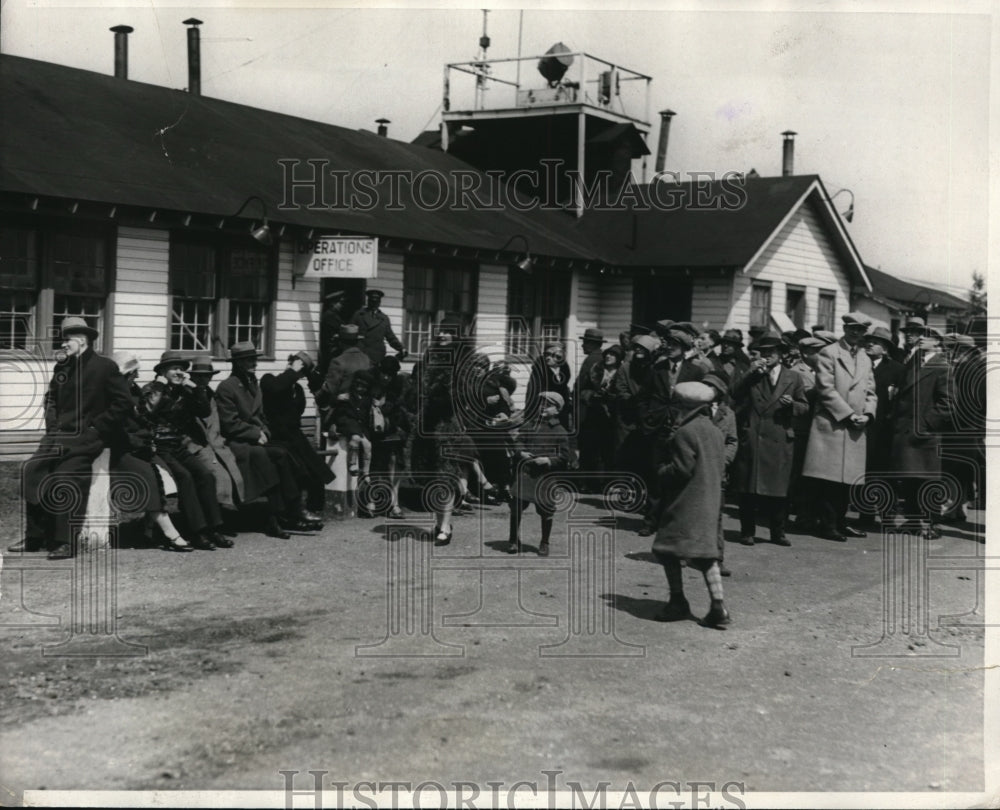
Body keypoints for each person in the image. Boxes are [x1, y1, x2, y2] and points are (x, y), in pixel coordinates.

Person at [15, 317, 133, 559]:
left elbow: (123, 404)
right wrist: (53, 426)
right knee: (32, 470)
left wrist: (96, 429)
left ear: (82, 340)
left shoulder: (105, 367)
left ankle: (65, 541)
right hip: (58, 436)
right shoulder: (63, 367)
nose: (64, 345)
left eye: (67, 340)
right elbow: (51, 399)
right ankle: (35, 536)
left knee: (66, 476)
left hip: (87, 439)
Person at [216, 341, 320, 533]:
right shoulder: (227, 387)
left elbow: (262, 416)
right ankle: (282, 515)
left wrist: (264, 431)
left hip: (257, 439)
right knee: (274, 456)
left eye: (254, 359)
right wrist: (256, 434)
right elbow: (229, 424)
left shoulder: (253, 383)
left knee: (286, 453)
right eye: (248, 360)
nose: (253, 363)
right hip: (237, 442)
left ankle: (287, 512)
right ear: (238, 363)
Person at [651, 381, 730, 628]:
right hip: (709, 500)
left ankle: (677, 601)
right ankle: (718, 606)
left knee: (666, 550)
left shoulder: (685, 432)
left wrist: (661, 470)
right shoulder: (714, 431)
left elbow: (681, 469)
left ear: (683, 406)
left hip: (685, 502)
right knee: (707, 555)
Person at [186, 359, 292, 539]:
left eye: (206, 377)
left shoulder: (210, 393)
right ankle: (218, 523)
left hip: (220, 442)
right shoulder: (191, 394)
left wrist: (261, 431)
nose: (203, 380)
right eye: (199, 377)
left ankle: (279, 513)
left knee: (274, 456)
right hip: (201, 444)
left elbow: (256, 417)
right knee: (242, 463)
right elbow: (223, 423)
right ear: (192, 377)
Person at [139, 351, 230, 550]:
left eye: (181, 368)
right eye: (174, 368)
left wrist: (196, 389)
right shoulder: (151, 389)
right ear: (163, 371)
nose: (179, 372)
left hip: (177, 446)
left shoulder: (184, 391)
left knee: (205, 475)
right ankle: (197, 532)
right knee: (185, 477)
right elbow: (148, 411)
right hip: (158, 447)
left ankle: (214, 528)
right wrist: (161, 386)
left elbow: (204, 411)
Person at [801, 312, 878, 542]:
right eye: (852, 328)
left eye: (861, 330)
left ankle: (841, 522)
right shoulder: (829, 352)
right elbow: (825, 389)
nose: (856, 333)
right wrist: (847, 414)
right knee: (829, 478)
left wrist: (868, 414)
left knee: (847, 479)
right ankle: (828, 524)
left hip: (855, 426)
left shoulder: (865, 358)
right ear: (845, 329)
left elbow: (871, 392)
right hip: (832, 424)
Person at [108, 352, 193, 552]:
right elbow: (115, 429)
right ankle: (172, 534)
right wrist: (139, 441)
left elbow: (146, 417)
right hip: (121, 450)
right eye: (133, 373)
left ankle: (147, 530)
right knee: (150, 478)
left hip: (142, 446)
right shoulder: (111, 396)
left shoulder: (134, 391)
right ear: (124, 375)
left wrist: (148, 440)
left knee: (167, 476)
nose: (136, 377)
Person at [731, 333, 808, 547]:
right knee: (748, 488)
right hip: (754, 435)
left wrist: (791, 404)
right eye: (763, 352)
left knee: (778, 489)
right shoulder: (754, 375)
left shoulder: (794, 377)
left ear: (781, 355)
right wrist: (750, 373)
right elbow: (735, 393)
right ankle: (747, 531)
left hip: (779, 437)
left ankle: (778, 532)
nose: (766, 356)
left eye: (771, 352)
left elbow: (804, 407)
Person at [635, 327, 706, 537]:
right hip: (658, 429)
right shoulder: (656, 370)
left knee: (679, 475)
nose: (671, 349)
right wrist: (646, 420)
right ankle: (650, 521)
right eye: (669, 345)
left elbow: (700, 401)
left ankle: (673, 522)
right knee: (655, 475)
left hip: (683, 429)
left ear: (684, 349)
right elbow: (641, 398)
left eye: (675, 346)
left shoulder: (695, 371)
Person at [411, 322, 472, 545]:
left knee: (445, 474)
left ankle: (445, 526)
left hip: (448, 423)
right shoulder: (430, 357)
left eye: (449, 332)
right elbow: (419, 384)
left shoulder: (461, 361)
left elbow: (464, 394)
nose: (443, 335)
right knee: (432, 477)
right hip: (427, 422)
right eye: (441, 332)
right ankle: (440, 523)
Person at [890, 325, 953, 537]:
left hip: (925, 434)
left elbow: (947, 404)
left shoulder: (942, 366)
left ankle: (932, 523)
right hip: (906, 431)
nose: (921, 340)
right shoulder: (914, 363)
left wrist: (925, 425)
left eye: (927, 337)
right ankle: (913, 521)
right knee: (910, 480)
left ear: (937, 342)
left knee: (928, 481)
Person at [261, 351, 334, 520]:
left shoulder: (298, 390)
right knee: (299, 467)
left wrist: (307, 375)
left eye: (300, 372)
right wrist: (292, 371)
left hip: (294, 435)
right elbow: (276, 388)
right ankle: (297, 511)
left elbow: (307, 405)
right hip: (276, 435)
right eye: (293, 366)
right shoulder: (269, 379)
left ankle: (311, 508)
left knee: (316, 467)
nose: (296, 373)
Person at [507, 391, 571, 556]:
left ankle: (544, 542)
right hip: (526, 474)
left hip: (545, 478)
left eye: (548, 405)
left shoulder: (560, 431)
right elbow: (518, 441)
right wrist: (521, 452)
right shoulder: (529, 425)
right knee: (516, 507)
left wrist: (549, 461)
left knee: (546, 511)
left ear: (557, 410)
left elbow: (565, 457)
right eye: (541, 403)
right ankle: (513, 540)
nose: (543, 407)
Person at [858, 326, 904, 530]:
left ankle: (888, 517)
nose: (870, 344)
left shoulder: (897, 369)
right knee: (863, 473)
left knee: (885, 475)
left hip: (885, 430)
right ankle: (865, 516)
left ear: (885, 349)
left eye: (875, 342)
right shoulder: (858, 365)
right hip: (861, 427)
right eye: (868, 341)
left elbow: (899, 400)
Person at [941, 334, 985, 522]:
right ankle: (958, 508)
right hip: (970, 428)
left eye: (955, 349)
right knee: (962, 470)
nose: (952, 352)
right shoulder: (974, 369)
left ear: (965, 352)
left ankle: (951, 507)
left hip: (960, 427)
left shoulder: (964, 370)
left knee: (952, 467)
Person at [702, 372, 737, 577]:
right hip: (696, 468)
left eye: (711, 387)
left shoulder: (728, 414)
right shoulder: (694, 410)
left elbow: (732, 441)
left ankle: (717, 558)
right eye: (705, 386)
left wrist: (723, 462)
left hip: (717, 471)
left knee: (716, 517)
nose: (707, 390)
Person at [370, 355, 415, 519]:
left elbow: (399, 407)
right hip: (374, 431)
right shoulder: (372, 383)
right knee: (376, 464)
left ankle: (394, 504)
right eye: (384, 374)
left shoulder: (399, 385)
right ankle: (373, 501)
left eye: (390, 374)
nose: (387, 377)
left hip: (393, 429)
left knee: (394, 465)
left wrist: (384, 406)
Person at [573, 328, 607, 482]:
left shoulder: (592, 359)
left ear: (591, 343)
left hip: (587, 407)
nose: (582, 346)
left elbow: (581, 384)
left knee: (588, 444)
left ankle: (587, 480)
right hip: (593, 407)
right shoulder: (600, 357)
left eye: (585, 343)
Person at [351, 288, 406, 365]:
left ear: (379, 302)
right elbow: (350, 334)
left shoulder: (384, 319)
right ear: (368, 301)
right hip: (360, 354)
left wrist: (401, 348)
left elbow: (391, 337)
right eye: (371, 301)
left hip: (376, 356)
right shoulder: (358, 315)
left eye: (376, 301)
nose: (374, 303)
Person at [526, 342, 573, 431]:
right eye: (546, 354)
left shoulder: (564, 369)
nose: (548, 358)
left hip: (561, 415)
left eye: (554, 355)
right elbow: (532, 396)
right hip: (544, 415)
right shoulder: (539, 372)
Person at [322, 323, 372, 402]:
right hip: (363, 405)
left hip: (344, 406)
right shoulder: (366, 359)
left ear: (341, 342)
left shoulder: (338, 361)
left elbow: (330, 389)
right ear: (357, 341)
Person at [314, 289, 348, 386]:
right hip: (331, 353)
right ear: (333, 303)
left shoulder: (334, 315)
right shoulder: (330, 316)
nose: (342, 305)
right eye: (340, 302)